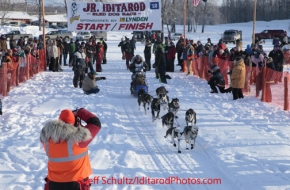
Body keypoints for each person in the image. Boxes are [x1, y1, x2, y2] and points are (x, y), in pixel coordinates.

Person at [40, 108, 101, 190]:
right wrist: (79, 112)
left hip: (53, 184)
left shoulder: (46, 139)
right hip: (76, 184)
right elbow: (95, 123)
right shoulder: (79, 138)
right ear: (74, 122)